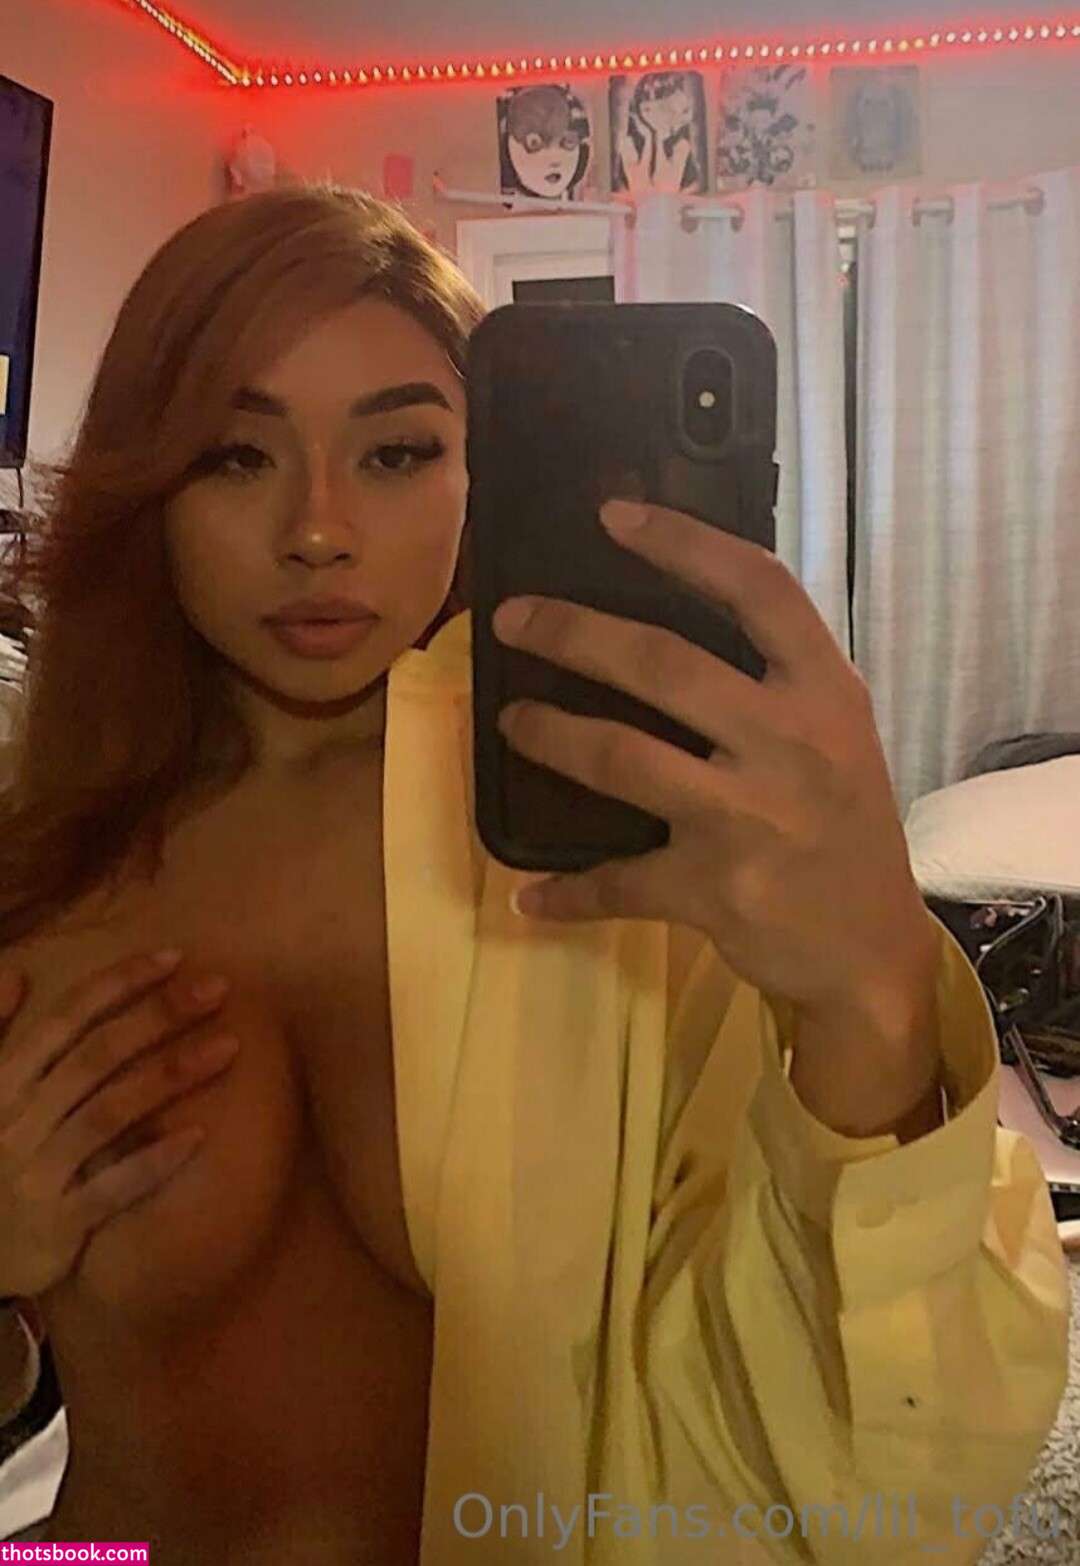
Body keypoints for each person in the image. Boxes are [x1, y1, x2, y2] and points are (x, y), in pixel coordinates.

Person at [0, 183, 1068, 1565]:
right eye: (235, 455)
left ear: (487, 473)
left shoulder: (622, 849)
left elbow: (886, 1473)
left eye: (396, 453)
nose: (317, 529)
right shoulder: (40, 870)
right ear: (145, 484)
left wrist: (870, 992)